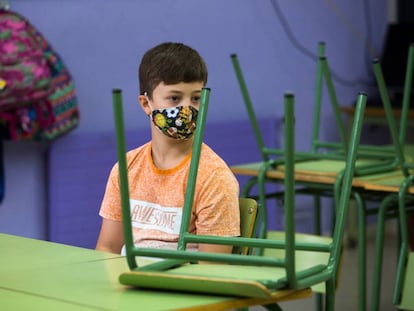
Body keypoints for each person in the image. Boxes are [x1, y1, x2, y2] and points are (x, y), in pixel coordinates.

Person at [95, 42, 240, 255]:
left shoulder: (214, 177)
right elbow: (108, 248)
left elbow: (212, 269)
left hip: (182, 285)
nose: (187, 109)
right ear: (146, 104)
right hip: (127, 282)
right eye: (174, 98)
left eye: (196, 98)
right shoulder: (126, 168)